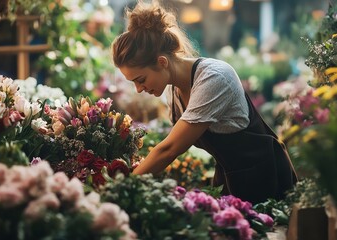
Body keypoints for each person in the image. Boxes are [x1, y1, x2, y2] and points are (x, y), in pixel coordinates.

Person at [111, 1, 297, 204]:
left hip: (265, 180)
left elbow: (169, 149)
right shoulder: (173, 91)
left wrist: (121, 189)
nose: (139, 89)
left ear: (162, 62)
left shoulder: (214, 78)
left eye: (141, 80)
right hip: (230, 179)